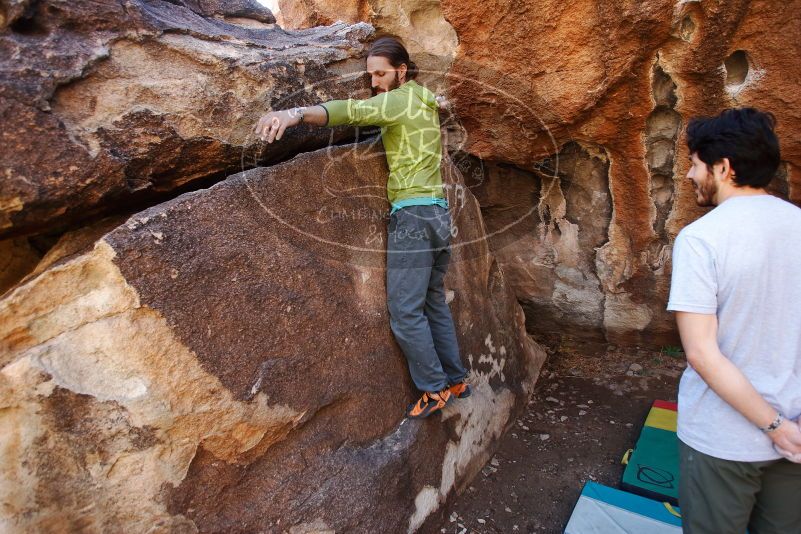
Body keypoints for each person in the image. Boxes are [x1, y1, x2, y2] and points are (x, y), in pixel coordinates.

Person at [253, 36, 470, 419]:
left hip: (414, 214)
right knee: (432, 300)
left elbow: (351, 111)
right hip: (438, 213)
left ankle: (434, 389)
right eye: (370, 75)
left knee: (405, 311)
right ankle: (455, 378)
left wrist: (297, 114)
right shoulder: (422, 98)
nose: (374, 82)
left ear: (402, 70)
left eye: (381, 73)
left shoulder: (399, 99)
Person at [667, 107, 801, 533]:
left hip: (724, 439)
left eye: (694, 164)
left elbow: (703, 354)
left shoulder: (701, 239)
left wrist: (774, 427)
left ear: (723, 168)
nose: (689, 175)